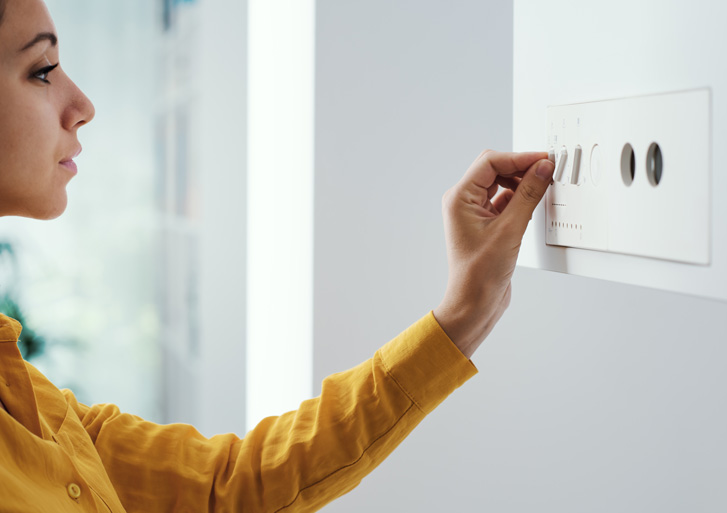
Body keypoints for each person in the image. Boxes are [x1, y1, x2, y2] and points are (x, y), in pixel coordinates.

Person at [0, 0, 556, 511]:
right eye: (42, 71)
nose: (83, 106)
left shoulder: (23, 390)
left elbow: (231, 483)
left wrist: (459, 318)